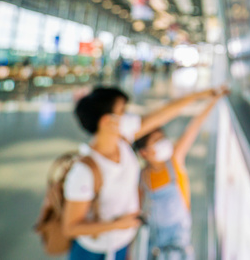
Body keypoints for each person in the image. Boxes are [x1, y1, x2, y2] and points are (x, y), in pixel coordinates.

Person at [62, 86, 222, 260]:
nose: (128, 116)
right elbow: (71, 227)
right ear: (106, 121)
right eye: (123, 111)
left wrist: (199, 95)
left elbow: (162, 114)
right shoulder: (85, 170)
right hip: (94, 252)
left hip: (121, 245)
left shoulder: (123, 142)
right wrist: (116, 225)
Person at [133, 89, 227, 260]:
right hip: (153, 247)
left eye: (162, 138)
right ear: (144, 152)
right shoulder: (142, 176)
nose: (163, 142)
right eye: (156, 141)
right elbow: (138, 211)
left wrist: (212, 100)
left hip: (178, 248)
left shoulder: (174, 161)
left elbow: (194, 126)